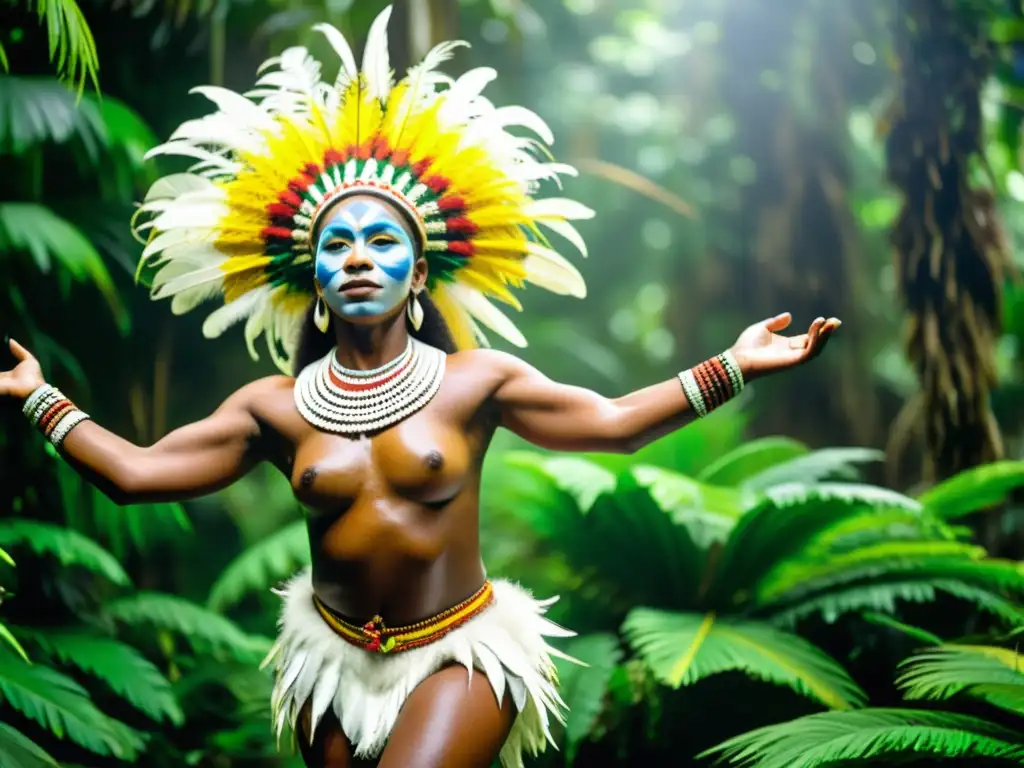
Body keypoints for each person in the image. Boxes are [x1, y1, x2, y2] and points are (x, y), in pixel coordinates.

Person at [0, 6, 840, 768]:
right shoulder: (275, 407)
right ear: (314, 283)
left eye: (379, 241)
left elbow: (614, 423)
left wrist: (732, 365)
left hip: (461, 652)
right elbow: (137, 474)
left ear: (419, 275)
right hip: (331, 658)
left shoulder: (476, 382)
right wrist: (37, 393)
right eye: (336, 247)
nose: (357, 256)